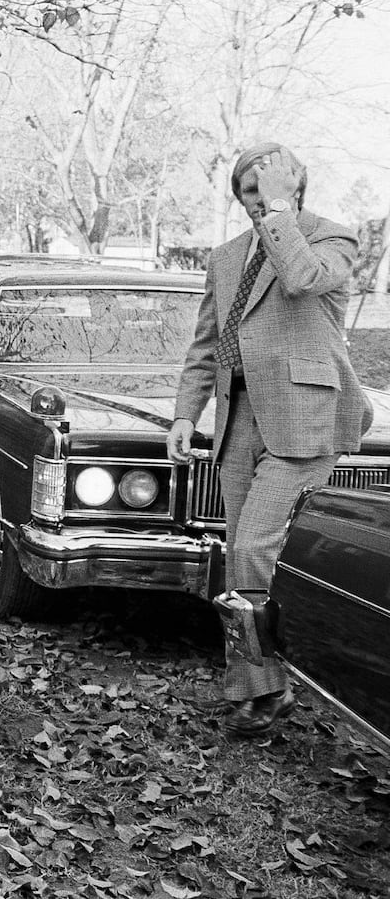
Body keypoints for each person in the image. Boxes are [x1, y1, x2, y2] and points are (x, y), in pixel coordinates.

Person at [167, 142, 373, 736]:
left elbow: (304, 279)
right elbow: (207, 344)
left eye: (270, 188)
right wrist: (187, 414)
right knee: (241, 553)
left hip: (305, 417)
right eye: (249, 191)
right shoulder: (227, 256)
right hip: (237, 421)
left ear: (295, 185)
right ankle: (258, 691)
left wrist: (280, 209)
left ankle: (272, 684)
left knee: (256, 547)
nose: (258, 202)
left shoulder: (331, 239)